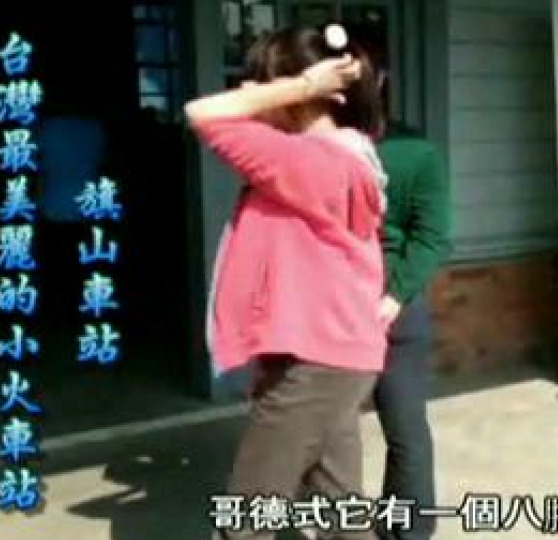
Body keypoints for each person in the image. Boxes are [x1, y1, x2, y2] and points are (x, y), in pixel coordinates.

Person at [185, 26, 387, 539]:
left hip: (316, 363)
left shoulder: (309, 160)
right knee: (341, 510)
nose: (252, 93)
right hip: (331, 355)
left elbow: (202, 113)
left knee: (245, 521)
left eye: (262, 81)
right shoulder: (341, 154)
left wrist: (301, 86)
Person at [368, 56, 452, 540]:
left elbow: (432, 236)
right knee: (332, 439)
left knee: (403, 433)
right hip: (350, 308)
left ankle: (403, 528)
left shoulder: (414, 151)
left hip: (389, 309)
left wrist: (395, 294)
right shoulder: (314, 146)